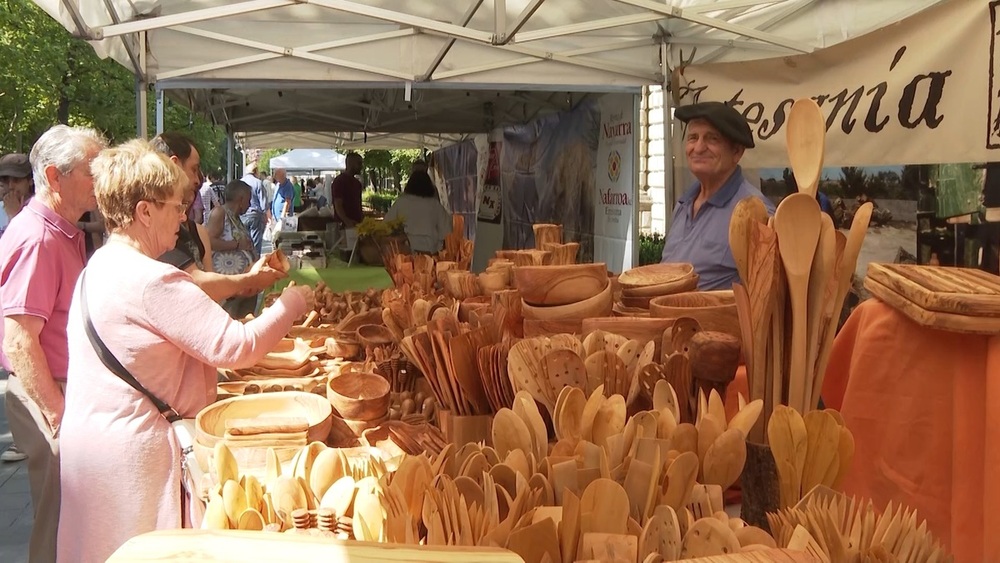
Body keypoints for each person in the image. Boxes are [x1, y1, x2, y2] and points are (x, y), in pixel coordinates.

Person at [57, 139, 313, 562]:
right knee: (145, 552)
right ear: (144, 211)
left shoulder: (99, 267)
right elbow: (238, 346)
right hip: (133, 456)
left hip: (94, 449)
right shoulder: (153, 281)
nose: (183, 217)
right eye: (175, 207)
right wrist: (293, 303)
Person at [0, 125, 107, 562]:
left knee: (69, 517)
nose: (100, 179)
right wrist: (58, 414)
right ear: (54, 176)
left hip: (62, 386)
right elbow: (19, 337)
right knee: (60, 518)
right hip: (49, 391)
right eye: (91, 170)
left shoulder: (62, 229)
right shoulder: (39, 238)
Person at [152, 134, 284, 302]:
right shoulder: (159, 232)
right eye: (194, 169)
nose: (198, 179)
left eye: (182, 208)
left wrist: (241, 287)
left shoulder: (195, 230)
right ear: (174, 165)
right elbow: (197, 283)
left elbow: (208, 288)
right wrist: (249, 279)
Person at [661, 101, 775, 290]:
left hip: (714, 319)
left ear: (736, 152)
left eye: (712, 139)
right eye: (692, 138)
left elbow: (767, 298)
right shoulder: (683, 205)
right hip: (666, 317)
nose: (698, 148)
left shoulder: (755, 212)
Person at [206, 180, 258, 318]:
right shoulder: (220, 213)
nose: (249, 204)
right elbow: (208, 241)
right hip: (229, 292)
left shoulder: (235, 217)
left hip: (242, 289)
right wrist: (236, 245)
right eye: (248, 200)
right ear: (241, 199)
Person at [384, 171, 452, 254]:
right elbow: (447, 231)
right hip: (430, 250)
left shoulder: (401, 202)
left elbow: (385, 226)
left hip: (405, 249)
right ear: (429, 186)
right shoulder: (435, 205)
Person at [0, 153, 34, 239]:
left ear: (30, 181)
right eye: (5, 180)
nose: (11, 186)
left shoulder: (38, 210)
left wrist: (14, 216)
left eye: (16, 180)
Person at [240, 166, 267, 255]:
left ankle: (246, 258)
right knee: (256, 241)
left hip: (242, 214)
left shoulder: (240, 182)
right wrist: (265, 215)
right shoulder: (258, 183)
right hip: (255, 215)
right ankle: (255, 260)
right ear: (255, 171)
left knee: (244, 239)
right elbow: (263, 202)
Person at [332, 152, 364, 228]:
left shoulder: (357, 183)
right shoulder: (339, 181)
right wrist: (347, 221)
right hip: (343, 226)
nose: (361, 166)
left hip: (357, 224)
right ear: (351, 164)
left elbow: (358, 205)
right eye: (359, 163)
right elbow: (338, 204)